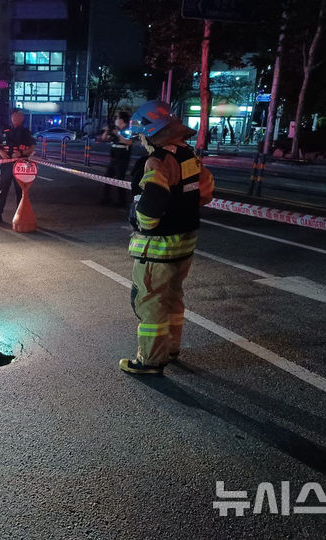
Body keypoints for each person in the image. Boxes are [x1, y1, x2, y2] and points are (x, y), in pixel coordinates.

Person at [120, 100, 214, 375]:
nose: (140, 140)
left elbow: (151, 204)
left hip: (158, 248)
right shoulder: (188, 154)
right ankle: (171, 349)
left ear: (150, 133)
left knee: (149, 303)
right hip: (185, 242)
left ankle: (150, 361)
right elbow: (205, 191)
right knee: (173, 298)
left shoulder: (158, 160)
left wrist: (143, 223)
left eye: (140, 135)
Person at [0, 109, 35, 224]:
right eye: (14, 116)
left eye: (19, 116)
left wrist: (21, 154)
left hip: (21, 167)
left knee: (20, 193)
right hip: (6, 166)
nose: (16, 118)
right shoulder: (4, 130)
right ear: (11, 117)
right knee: (2, 191)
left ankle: (20, 217)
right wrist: (1, 152)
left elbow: (32, 148)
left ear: (22, 118)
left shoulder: (26, 132)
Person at [99, 111, 132, 206]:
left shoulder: (127, 130)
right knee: (107, 178)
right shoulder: (115, 129)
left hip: (122, 158)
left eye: (117, 118)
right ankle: (106, 198)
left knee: (120, 179)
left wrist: (118, 134)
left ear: (122, 120)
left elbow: (128, 142)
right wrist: (107, 130)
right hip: (114, 157)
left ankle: (122, 201)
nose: (116, 120)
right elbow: (104, 138)